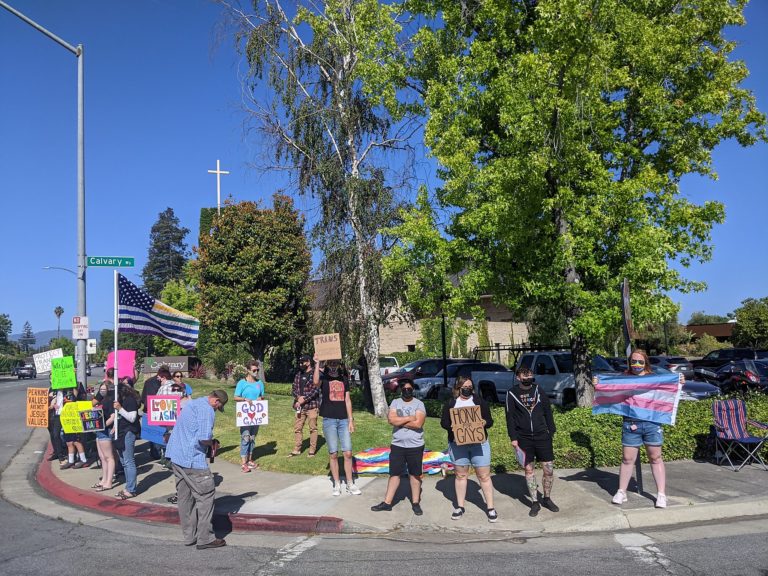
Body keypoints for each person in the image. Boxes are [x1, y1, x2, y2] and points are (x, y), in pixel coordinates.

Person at [610, 349, 681, 509]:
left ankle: (661, 494)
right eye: (633, 361)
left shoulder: (654, 378)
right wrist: (597, 383)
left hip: (652, 423)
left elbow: (669, 389)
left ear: (646, 363)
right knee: (627, 459)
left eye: (640, 362)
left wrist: (679, 380)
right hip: (630, 424)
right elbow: (609, 390)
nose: (636, 365)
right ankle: (622, 491)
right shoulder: (624, 378)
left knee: (655, 458)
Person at [165, 389, 229, 550]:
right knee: (206, 494)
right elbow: (203, 437)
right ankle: (205, 537)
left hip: (176, 456)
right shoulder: (207, 410)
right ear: (216, 401)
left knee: (184, 498)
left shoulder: (193, 403)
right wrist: (213, 443)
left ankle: (189, 536)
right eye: (218, 406)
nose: (216, 409)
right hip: (192, 459)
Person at [440, 375, 497, 522]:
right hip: (458, 445)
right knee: (460, 475)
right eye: (464, 387)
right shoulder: (451, 404)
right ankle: (460, 507)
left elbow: (489, 421)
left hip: (479, 444)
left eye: (470, 387)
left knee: (484, 476)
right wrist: (453, 426)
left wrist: (483, 422)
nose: (468, 389)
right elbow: (444, 422)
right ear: (458, 388)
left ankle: (490, 507)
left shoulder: (479, 401)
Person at [506, 366, 559, 517]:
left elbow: (548, 411)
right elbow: (510, 417)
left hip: (542, 435)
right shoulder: (512, 393)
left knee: (548, 469)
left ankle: (547, 498)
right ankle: (535, 502)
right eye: (524, 375)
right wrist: (513, 437)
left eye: (530, 375)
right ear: (518, 377)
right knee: (529, 470)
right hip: (523, 437)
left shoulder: (538, 390)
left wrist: (551, 430)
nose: (528, 378)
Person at [371, 379, 427, 515]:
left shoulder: (419, 404)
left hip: (415, 446)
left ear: (413, 389)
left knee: (414, 475)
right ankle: (387, 503)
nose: (407, 391)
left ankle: (415, 503)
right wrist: (410, 417)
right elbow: (391, 420)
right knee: (394, 474)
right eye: (404, 389)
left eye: (409, 389)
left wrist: (400, 421)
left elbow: (418, 424)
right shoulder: (395, 402)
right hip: (398, 445)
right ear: (401, 390)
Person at [314, 355, 361, 496]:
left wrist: (351, 420)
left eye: (336, 362)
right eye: (331, 362)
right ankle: (336, 483)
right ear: (327, 363)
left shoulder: (343, 378)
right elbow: (315, 382)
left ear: (339, 364)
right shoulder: (324, 377)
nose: (334, 365)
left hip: (343, 420)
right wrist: (317, 364)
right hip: (329, 419)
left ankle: (350, 483)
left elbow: (347, 400)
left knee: (347, 452)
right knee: (333, 453)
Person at [234, 360, 265, 472]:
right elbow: (236, 397)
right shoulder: (242, 383)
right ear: (248, 370)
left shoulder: (259, 383)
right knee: (245, 437)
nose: (256, 372)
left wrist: (260, 399)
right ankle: (244, 463)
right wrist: (245, 399)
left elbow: (262, 397)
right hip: (245, 415)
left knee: (252, 437)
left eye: (257, 370)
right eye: (254, 370)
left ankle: (250, 460)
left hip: (256, 414)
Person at [113, 379, 142, 500]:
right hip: (121, 432)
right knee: (123, 461)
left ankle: (131, 489)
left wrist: (120, 408)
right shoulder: (122, 400)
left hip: (128, 432)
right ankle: (128, 486)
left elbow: (132, 418)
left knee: (129, 461)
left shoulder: (129, 400)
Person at [289, 354, 320, 457]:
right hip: (299, 407)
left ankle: (312, 450)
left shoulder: (314, 373)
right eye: (300, 362)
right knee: (297, 428)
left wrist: (304, 399)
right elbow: (293, 388)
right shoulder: (298, 374)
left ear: (308, 362)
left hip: (312, 406)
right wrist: (298, 398)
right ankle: (297, 449)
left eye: (303, 362)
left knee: (313, 429)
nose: (301, 364)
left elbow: (315, 390)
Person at [91, 381, 116, 491]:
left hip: (105, 431)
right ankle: (104, 480)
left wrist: (103, 425)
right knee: (102, 457)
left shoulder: (110, 400)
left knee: (108, 457)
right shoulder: (101, 400)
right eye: (100, 389)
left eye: (104, 389)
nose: (102, 391)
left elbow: (113, 416)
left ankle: (108, 482)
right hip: (99, 431)